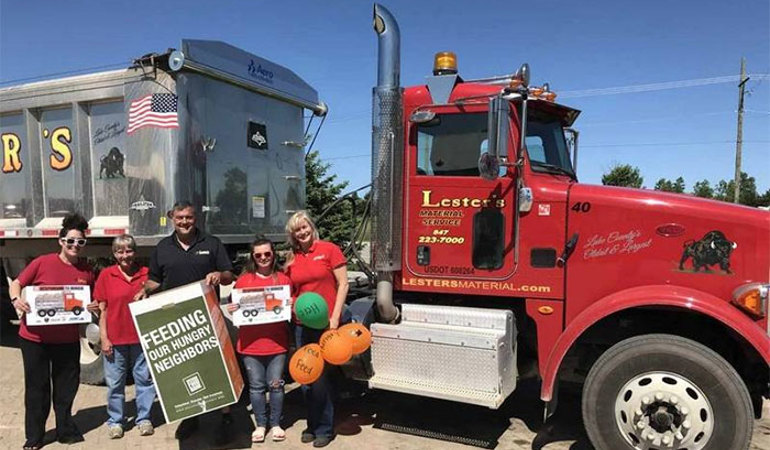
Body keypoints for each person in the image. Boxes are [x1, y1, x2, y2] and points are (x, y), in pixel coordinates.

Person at [135, 201, 234, 441]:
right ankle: (191, 418)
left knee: (215, 369)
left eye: (188, 218)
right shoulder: (163, 247)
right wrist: (144, 290)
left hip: (207, 317)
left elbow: (230, 274)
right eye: (179, 218)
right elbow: (155, 280)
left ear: (195, 218)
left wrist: (219, 275)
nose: (184, 222)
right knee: (186, 370)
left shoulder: (211, 243)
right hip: (177, 320)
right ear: (172, 218)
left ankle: (225, 419)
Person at [8, 213, 94, 450]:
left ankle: (65, 430)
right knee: (37, 388)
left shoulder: (86, 272)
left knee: (66, 388)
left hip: (67, 341)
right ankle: (35, 437)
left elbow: (90, 302)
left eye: (80, 242)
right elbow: (17, 283)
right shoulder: (42, 262)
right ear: (61, 241)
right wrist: (17, 300)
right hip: (35, 339)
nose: (75, 246)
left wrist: (91, 306)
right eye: (71, 241)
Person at [284, 211, 349, 448]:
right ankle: (311, 424)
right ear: (292, 235)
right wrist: (290, 302)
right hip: (302, 325)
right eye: (297, 230)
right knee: (305, 376)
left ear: (311, 226)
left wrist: (335, 317)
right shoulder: (292, 259)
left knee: (320, 378)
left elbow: (343, 284)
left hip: (325, 325)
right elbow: (290, 292)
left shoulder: (329, 250)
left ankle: (324, 428)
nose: (302, 232)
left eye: (304, 227)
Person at [226, 237, 291, 443]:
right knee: (255, 387)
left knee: (276, 385)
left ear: (273, 255)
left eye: (267, 254)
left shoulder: (283, 280)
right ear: (253, 257)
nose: (263, 258)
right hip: (250, 345)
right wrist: (232, 308)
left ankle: (276, 423)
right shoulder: (244, 280)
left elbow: (293, 301)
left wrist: (291, 302)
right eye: (258, 255)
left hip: (277, 344)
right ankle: (261, 425)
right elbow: (233, 303)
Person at [91, 234, 155, 439]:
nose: (125, 255)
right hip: (115, 339)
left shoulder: (146, 275)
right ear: (114, 253)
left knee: (144, 381)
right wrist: (104, 338)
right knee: (115, 383)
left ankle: (144, 418)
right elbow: (103, 310)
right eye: (120, 251)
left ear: (135, 252)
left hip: (140, 338)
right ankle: (116, 421)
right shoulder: (106, 275)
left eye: (128, 250)